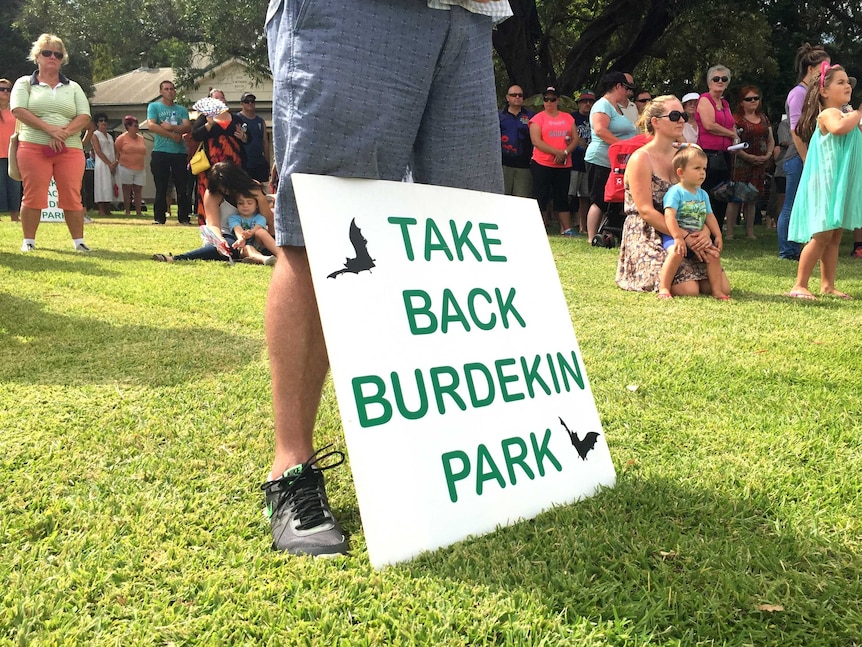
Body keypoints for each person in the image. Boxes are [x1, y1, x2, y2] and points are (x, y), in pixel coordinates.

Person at [263, 0, 510, 557]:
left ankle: (466, 458)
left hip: (470, 15)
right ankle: (291, 466)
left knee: (464, 237)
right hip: (356, 11)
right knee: (320, 228)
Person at [616, 95, 730, 297]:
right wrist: (684, 237)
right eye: (675, 115)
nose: (681, 120)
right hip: (648, 231)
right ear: (655, 122)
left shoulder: (685, 156)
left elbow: (696, 200)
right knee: (688, 289)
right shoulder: (641, 159)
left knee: (719, 286)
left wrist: (703, 231)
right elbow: (646, 211)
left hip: (684, 228)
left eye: (683, 115)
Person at [786, 64, 862, 300]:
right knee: (821, 235)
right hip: (827, 183)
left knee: (835, 236)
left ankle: (827, 284)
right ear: (824, 92)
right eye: (840, 82)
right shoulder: (829, 114)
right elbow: (839, 129)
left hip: (839, 183)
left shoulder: (846, 115)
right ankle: (799, 284)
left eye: (847, 82)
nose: (847, 85)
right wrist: (858, 114)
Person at [10, 34, 91, 253]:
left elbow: (84, 116)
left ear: (62, 58)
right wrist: (50, 130)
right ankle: (29, 241)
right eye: (47, 52)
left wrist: (62, 134)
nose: (52, 57)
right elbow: (19, 110)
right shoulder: (24, 83)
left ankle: (79, 242)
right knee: (33, 193)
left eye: (57, 54)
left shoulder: (73, 87)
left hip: (70, 148)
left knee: (72, 193)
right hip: (33, 146)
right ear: (37, 56)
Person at [152, 162, 274, 264]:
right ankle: (175, 258)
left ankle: (254, 256)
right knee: (229, 247)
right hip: (228, 234)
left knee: (270, 242)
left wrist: (260, 198)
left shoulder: (252, 186)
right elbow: (213, 224)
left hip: (255, 233)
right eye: (223, 189)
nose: (227, 191)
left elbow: (269, 220)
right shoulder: (212, 194)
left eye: (229, 187)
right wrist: (220, 240)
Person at [777, 43, 831, 261]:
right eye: (824, 67)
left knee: (804, 203)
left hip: (807, 156)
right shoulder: (798, 93)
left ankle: (797, 248)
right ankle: (787, 251)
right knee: (791, 204)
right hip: (797, 157)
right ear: (811, 69)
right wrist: (807, 158)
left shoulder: (811, 93)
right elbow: (795, 130)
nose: (827, 72)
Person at [659, 145, 728, 300]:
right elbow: (669, 216)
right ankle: (664, 287)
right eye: (697, 168)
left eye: (704, 168)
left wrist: (717, 235)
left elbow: (709, 216)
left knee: (714, 256)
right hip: (676, 237)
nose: (702, 172)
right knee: (675, 254)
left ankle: (717, 291)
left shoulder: (703, 194)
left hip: (697, 238)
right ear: (681, 172)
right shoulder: (675, 192)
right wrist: (678, 237)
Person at [584, 71, 637, 240]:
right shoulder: (602, 105)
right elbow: (600, 130)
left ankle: (607, 233)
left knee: (613, 198)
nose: (628, 93)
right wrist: (624, 146)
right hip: (600, 159)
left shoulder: (617, 108)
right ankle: (591, 236)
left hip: (616, 162)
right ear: (618, 86)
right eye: (626, 88)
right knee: (599, 199)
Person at [725, 86, 773, 240]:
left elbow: (770, 139)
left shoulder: (764, 118)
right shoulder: (736, 119)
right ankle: (730, 233)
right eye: (749, 99)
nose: (753, 101)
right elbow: (734, 142)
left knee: (753, 197)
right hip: (741, 162)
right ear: (741, 102)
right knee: (736, 197)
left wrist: (768, 155)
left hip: (760, 162)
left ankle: (750, 232)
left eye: (756, 98)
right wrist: (747, 157)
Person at [192, 89, 246, 225]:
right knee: (210, 190)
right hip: (212, 164)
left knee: (233, 191)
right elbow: (196, 136)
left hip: (233, 163)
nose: (220, 100)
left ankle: (233, 222)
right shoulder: (204, 118)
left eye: (222, 97)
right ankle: (208, 222)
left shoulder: (236, 118)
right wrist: (209, 124)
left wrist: (243, 137)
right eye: (216, 98)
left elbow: (247, 138)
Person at [529, 86, 576, 236]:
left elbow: (575, 139)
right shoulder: (537, 119)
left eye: (552, 99)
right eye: (546, 99)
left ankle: (567, 229)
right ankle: (539, 227)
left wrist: (565, 152)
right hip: (542, 163)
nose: (549, 102)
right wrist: (557, 152)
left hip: (563, 164)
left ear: (558, 100)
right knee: (541, 196)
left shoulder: (567, 117)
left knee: (562, 196)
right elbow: (536, 141)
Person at [695, 65, 737, 231]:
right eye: (716, 79)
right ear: (709, 82)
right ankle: (703, 232)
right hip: (708, 155)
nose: (720, 82)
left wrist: (734, 136)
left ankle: (716, 232)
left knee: (722, 194)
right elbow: (709, 125)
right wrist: (731, 134)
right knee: (708, 194)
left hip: (724, 155)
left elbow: (732, 125)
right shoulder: (705, 99)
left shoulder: (725, 103)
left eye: (724, 79)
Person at [147, 80, 192, 225]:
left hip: (179, 152)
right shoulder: (154, 106)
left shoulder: (181, 110)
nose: (170, 91)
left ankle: (184, 217)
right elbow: (152, 125)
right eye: (166, 89)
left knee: (182, 186)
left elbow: (187, 126)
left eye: (172, 89)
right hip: (161, 151)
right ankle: (159, 217)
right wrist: (172, 134)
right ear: (161, 92)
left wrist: (170, 127)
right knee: (161, 186)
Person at [499, 84, 534, 197]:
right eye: (514, 95)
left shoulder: (531, 116)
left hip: (524, 166)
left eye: (520, 95)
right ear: (507, 97)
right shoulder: (499, 116)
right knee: (502, 197)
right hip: (503, 164)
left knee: (521, 199)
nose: (517, 97)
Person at [568, 89, 594, 234]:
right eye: (584, 101)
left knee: (585, 196)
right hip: (573, 160)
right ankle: (568, 223)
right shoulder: (571, 118)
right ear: (579, 103)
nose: (587, 104)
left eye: (590, 101)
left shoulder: (597, 118)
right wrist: (577, 143)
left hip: (589, 162)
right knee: (570, 194)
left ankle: (583, 226)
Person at [228, 194, 278, 265]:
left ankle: (280, 254)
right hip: (244, 246)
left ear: (256, 205)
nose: (245, 206)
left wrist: (251, 233)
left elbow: (258, 227)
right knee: (248, 248)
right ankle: (264, 259)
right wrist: (241, 238)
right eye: (240, 203)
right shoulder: (233, 218)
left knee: (261, 232)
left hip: (258, 244)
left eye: (249, 203)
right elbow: (237, 228)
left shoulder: (260, 217)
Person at [114, 115, 147, 217]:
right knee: (127, 190)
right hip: (125, 167)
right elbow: (117, 152)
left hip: (140, 168)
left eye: (137, 126)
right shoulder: (121, 138)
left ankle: (138, 211)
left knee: (138, 190)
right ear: (128, 127)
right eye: (135, 126)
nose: (137, 128)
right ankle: (127, 211)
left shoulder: (141, 138)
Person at [235, 92, 270, 184]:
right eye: (247, 102)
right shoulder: (237, 119)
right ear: (241, 104)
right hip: (244, 164)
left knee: (263, 191)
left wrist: (267, 162)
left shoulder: (260, 121)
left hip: (260, 163)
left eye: (252, 101)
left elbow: (265, 142)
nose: (250, 104)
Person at [0, 78, 22, 222]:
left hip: (14, 154)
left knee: (15, 187)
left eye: (8, 89)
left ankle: (15, 217)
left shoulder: (16, 110)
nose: (6, 92)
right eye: (2, 89)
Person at [90, 112, 117, 216]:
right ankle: (101, 208)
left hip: (111, 163)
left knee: (109, 185)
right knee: (101, 185)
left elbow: (114, 150)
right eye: (101, 121)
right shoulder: (95, 135)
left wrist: (115, 162)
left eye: (105, 120)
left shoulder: (110, 136)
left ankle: (108, 208)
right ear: (97, 123)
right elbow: (98, 150)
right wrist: (108, 163)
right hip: (102, 163)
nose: (103, 122)